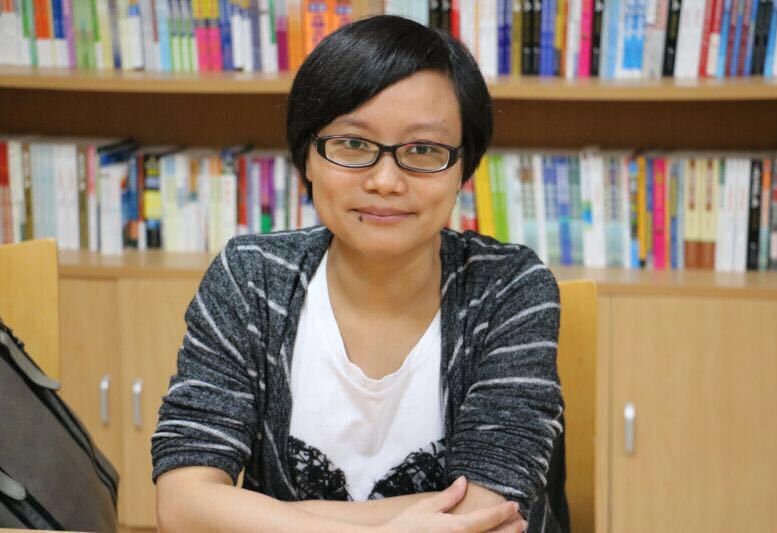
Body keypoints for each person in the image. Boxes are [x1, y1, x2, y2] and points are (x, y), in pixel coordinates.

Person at [152, 15, 566, 533]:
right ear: (307, 158)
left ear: (464, 168)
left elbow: (489, 515)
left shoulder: (509, 286)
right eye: (352, 144)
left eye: (423, 150)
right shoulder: (252, 278)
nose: (386, 181)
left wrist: (261, 515)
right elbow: (181, 504)